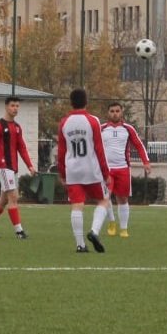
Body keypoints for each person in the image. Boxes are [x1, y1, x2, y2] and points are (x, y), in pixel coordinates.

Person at [56, 88, 110, 253]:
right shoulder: (93, 121)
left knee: (77, 205)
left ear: (71, 102)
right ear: (86, 101)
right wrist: (106, 174)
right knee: (103, 200)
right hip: (91, 169)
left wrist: (62, 173)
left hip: (73, 170)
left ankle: (80, 245)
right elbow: (99, 149)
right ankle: (93, 232)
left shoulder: (64, 122)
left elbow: (61, 151)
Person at [0, 96, 36, 239]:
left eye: (17, 106)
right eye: (12, 105)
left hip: (13, 167)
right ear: (6, 106)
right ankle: (19, 231)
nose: (15, 108)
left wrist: (30, 165)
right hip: (3, 166)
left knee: (4, 199)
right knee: (13, 196)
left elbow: (22, 148)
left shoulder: (17, 128)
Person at [99, 102, 151, 238]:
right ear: (108, 113)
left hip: (123, 169)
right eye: (112, 111)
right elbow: (94, 146)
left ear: (121, 112)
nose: (115, 113)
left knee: (122, 198)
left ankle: (123, 228)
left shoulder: (128, 129)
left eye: (117, 111)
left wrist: (146, 162)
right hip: (107, 169)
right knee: (105, 196)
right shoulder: (101, 129)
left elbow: (139, 145)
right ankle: (111, 222)